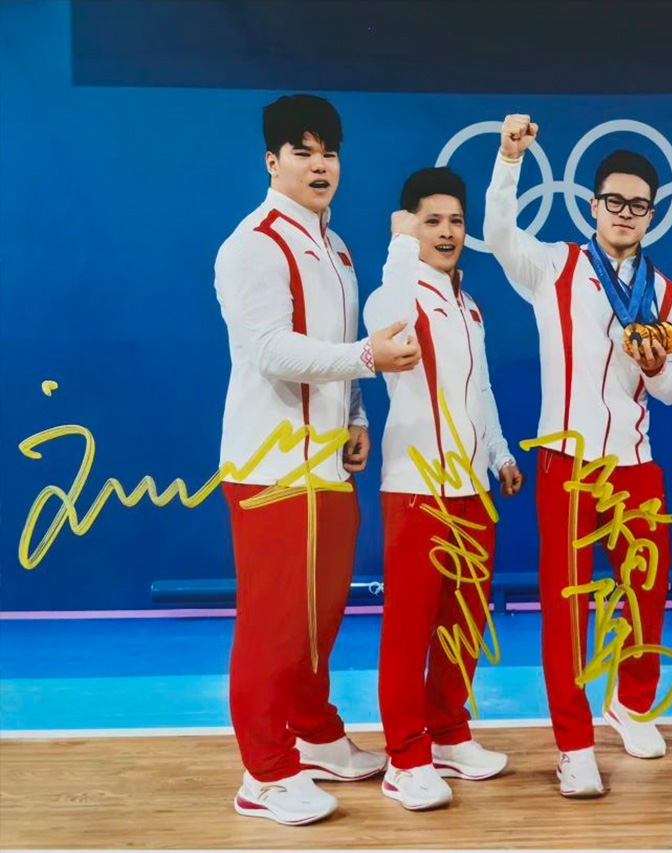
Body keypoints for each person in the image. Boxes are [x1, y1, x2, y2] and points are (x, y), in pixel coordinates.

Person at [214, 94, 421, 826]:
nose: (319, 164)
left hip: (327, 466)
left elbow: (335, 345)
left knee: (318, 618)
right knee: (273, 623)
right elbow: (271, 349)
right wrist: (366, 359)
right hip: (272, 469)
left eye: (328, 151)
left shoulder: (337, 249)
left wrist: (357, 413)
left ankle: (315, 734)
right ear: (271, 161)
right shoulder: (253, 244)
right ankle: (264, 774)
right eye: (302, 152)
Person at [483, 114, 672, 798]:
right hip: (567, 462)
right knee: (567, 604)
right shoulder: (555, 265)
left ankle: (631, 703)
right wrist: (509, 159)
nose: (625, 213)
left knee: (646, 593)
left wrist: (656, 365)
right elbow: (498, 234)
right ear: (593, 205)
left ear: (652, 215)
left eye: (638, 205)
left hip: (636, 461)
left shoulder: (667, 293)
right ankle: (573, 744)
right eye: (614, 201)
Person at [363, 166, 525, 811]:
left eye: (456, 220)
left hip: (471, 489)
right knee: (410, 628)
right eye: (432, 221)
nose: (448, 231)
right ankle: (406, 758)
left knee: (463, 621)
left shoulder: (469, 303)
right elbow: (386, 322)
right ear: (409, 227)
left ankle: (450, 734)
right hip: (416, 488)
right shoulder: (395, 291)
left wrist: (500, 454)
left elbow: (480, 388)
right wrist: (399, 247)